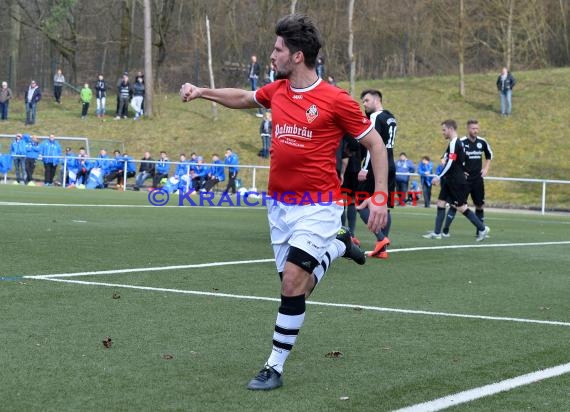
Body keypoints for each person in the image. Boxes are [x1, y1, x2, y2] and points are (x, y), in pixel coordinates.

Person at [180, 13, 388, 391]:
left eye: (277, 49)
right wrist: (202, 91)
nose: (271, 54)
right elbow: (244, 97)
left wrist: (380, 196)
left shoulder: (335, 99)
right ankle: (339, 246)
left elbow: (374, 144)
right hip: (279, 207)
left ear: (297, 56)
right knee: (300, 289)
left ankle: (273, 367)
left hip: (319, 206)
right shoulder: (276, 91)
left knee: (292, 283)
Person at [422, 119, 489, 241]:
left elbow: (451, 162)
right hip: (450, 180)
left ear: (450, 129)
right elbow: (460, 161)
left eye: (444, 130)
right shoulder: (456, 143)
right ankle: (437, 233)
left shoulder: (455, 143)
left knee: (461, 207)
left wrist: (439, 176)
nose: (443, 132)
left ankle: (482, 228)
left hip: (456, 182)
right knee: (441, 203)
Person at [358, 89, 396, 259]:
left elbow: (372, 146)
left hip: (377, 165)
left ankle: (381, 238)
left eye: (366, 100)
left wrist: (365, 168)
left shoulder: (374, 117)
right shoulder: (390, 117)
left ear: (376, 99)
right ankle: (382, 249)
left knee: (361, 204)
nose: (364, 104)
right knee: (384, 205)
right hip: (390, 163)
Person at [441, 119, 493, 237]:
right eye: (473, 128)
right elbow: (445, 157)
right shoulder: (460, 142)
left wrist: (486, 169)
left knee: (479, 205)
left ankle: (480, 231)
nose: (476, 131)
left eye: (477, 128)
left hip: (477, 180)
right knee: (456, 204)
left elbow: (489, 155)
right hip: (463, 180)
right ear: (468, 129)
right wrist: (455, 169)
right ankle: (445, 230)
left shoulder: (482, 142)